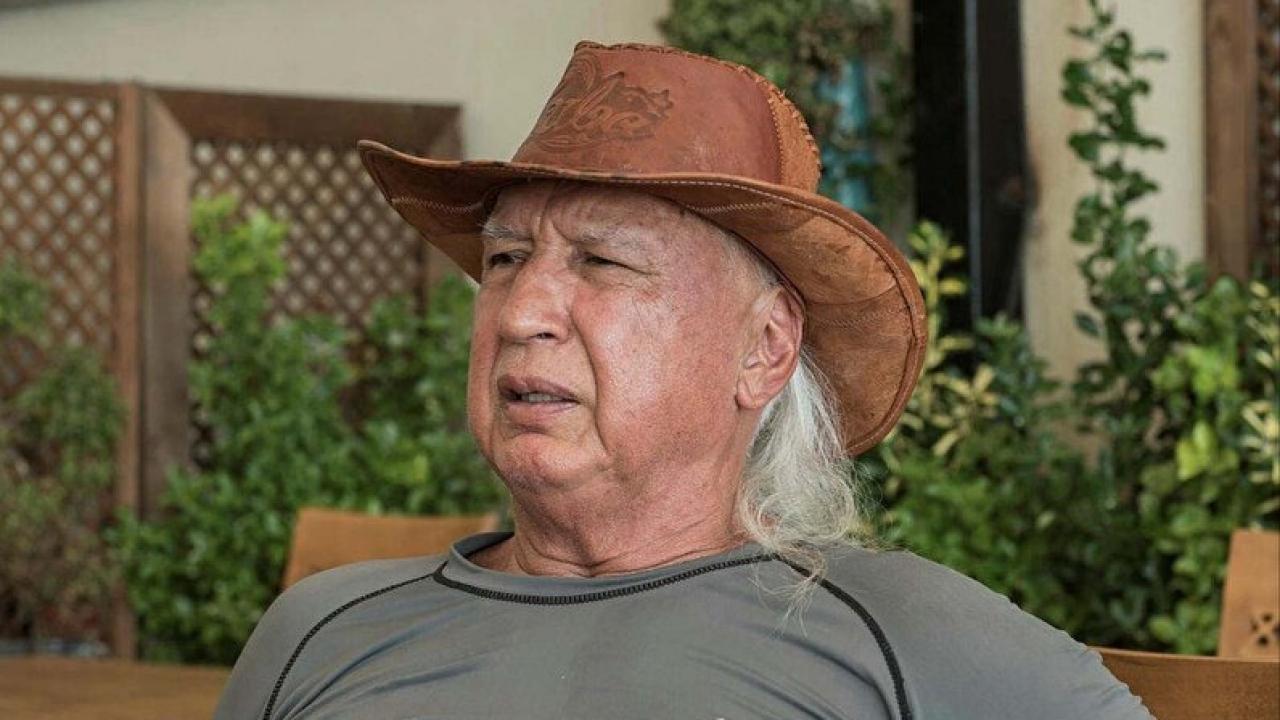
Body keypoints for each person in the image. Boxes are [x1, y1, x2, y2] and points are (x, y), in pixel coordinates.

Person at [214, 41, 1153, 719]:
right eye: (504, 260)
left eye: (601, 262)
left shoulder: (901, 633)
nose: (521, 311)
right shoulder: (322, 628)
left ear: (764, 349)